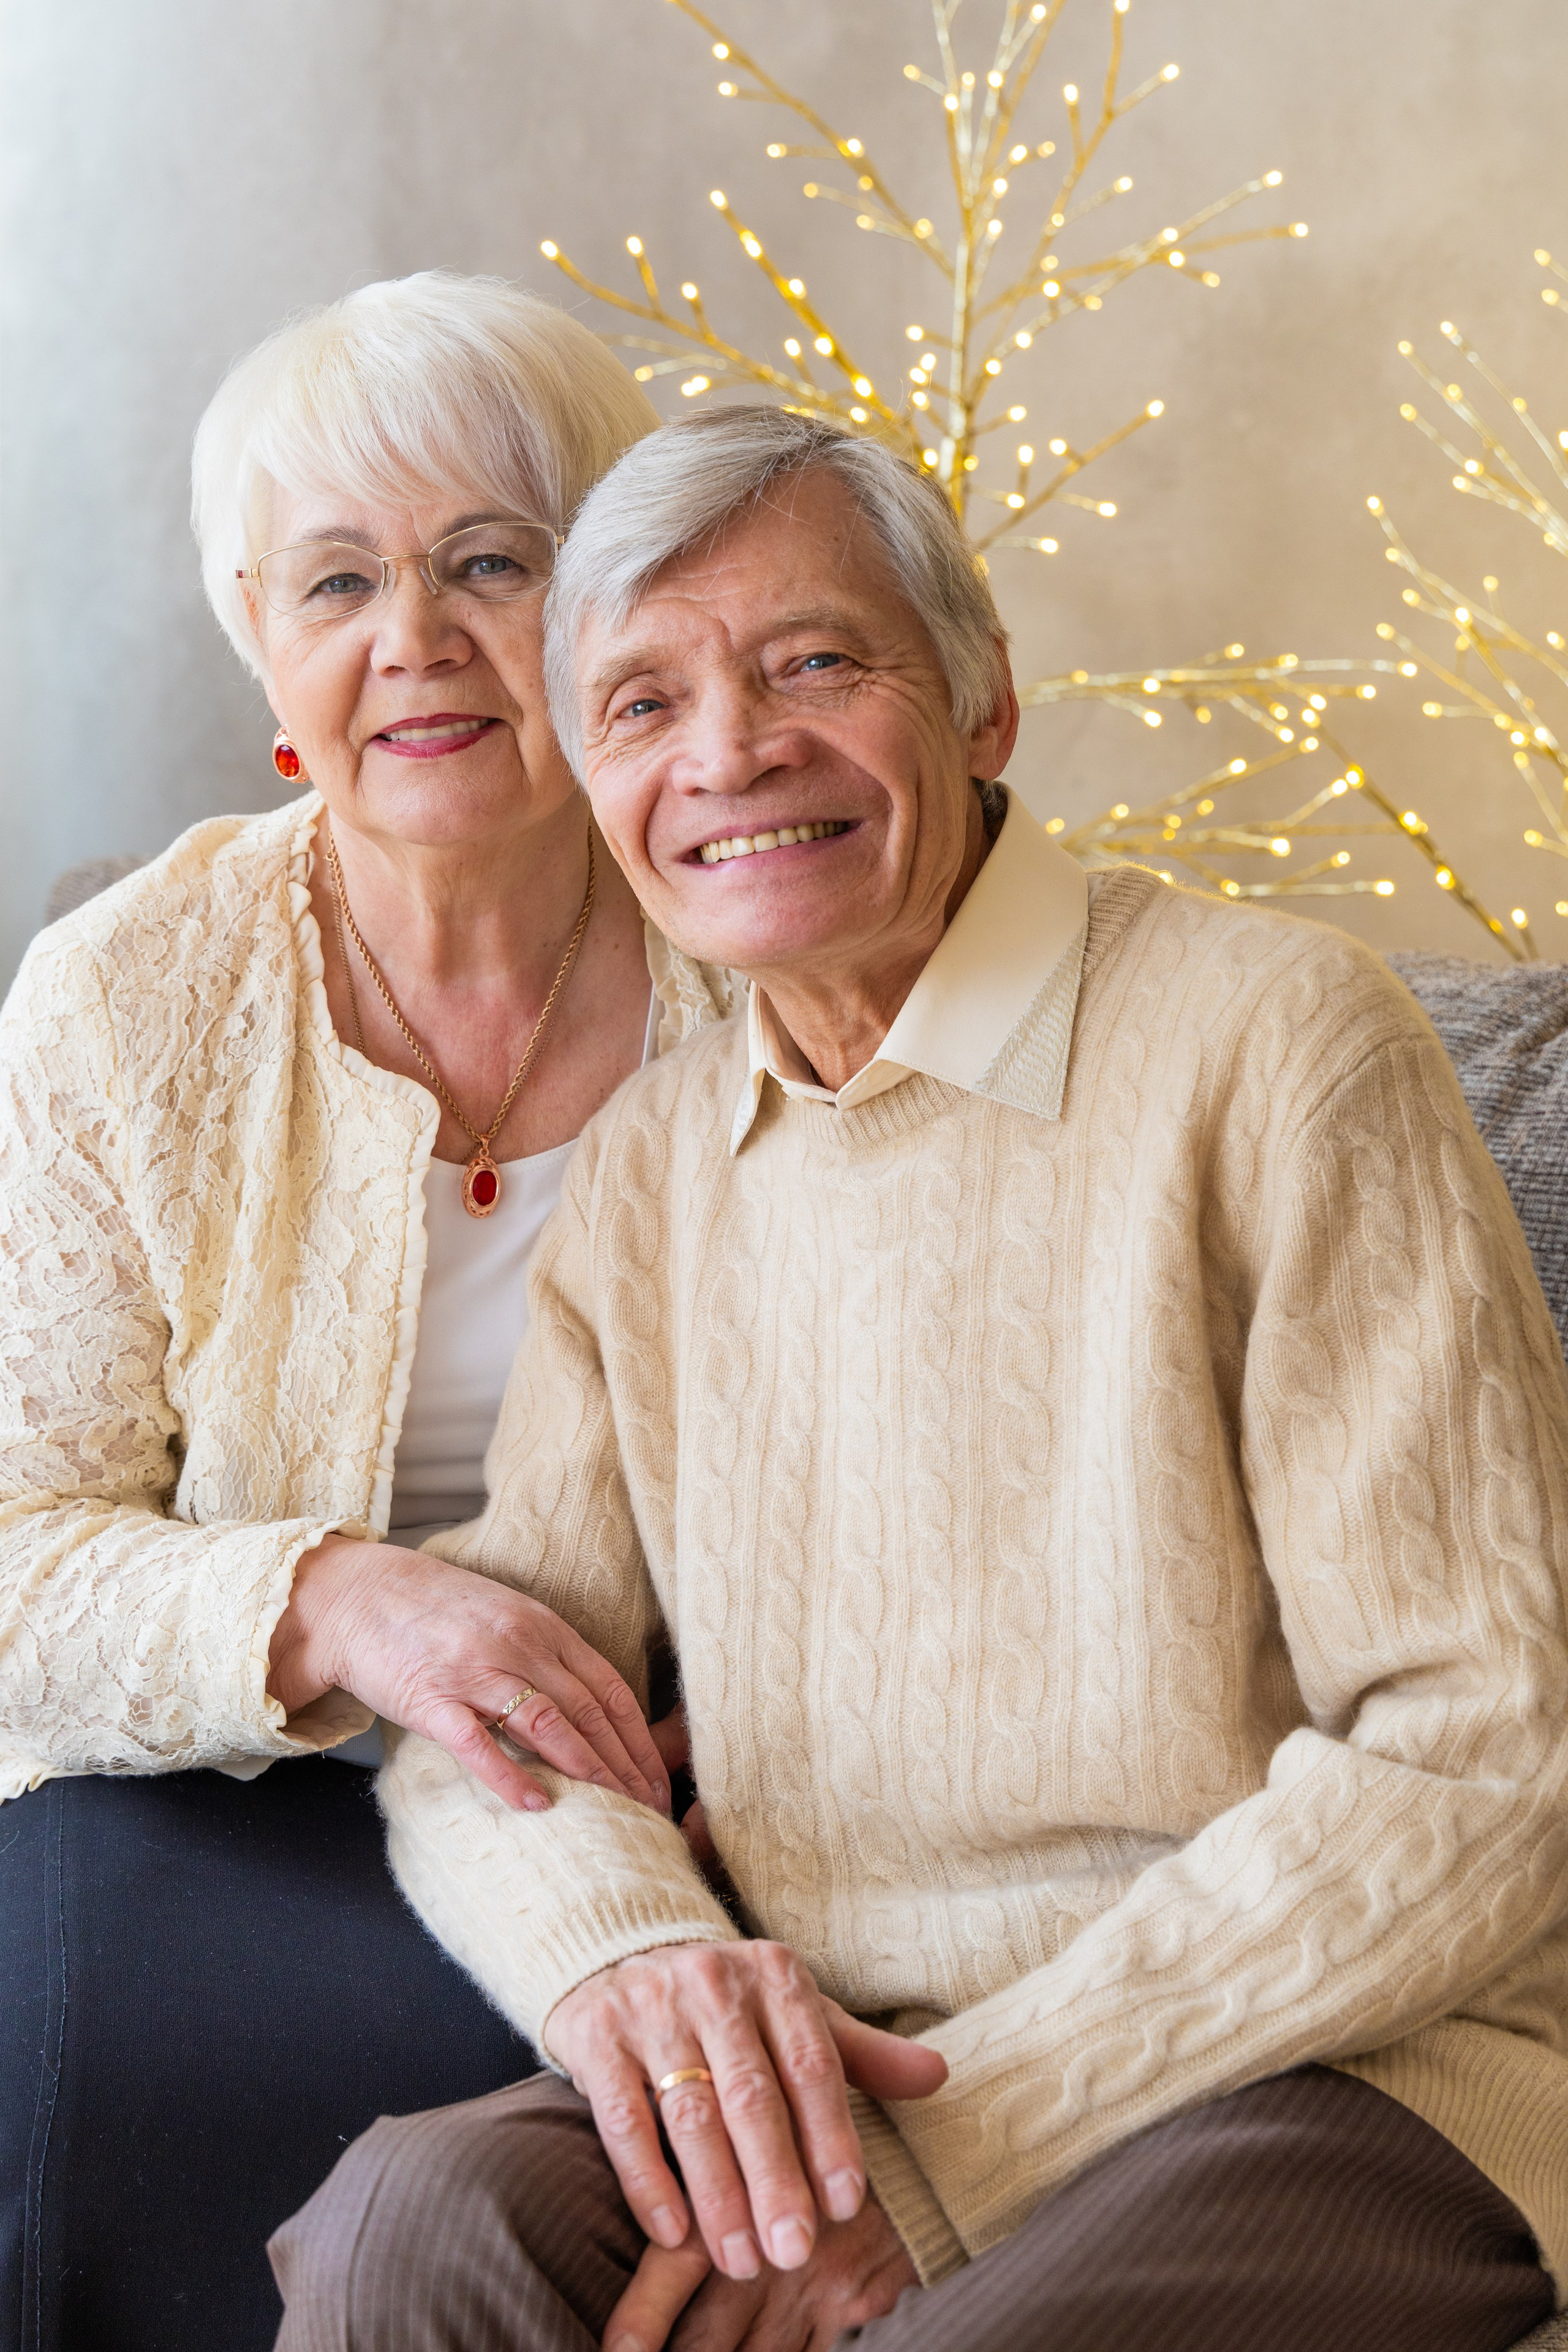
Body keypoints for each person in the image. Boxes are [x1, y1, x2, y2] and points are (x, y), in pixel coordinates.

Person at [273, 407, 1568, 2352]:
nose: (729, 756)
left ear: (983, 709)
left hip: (1339, 2060)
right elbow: (510, 1715)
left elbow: (1483, 1747)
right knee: (409, 2232)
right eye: (640, 704)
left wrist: (961, 2156)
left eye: (813, 663)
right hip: (845, 2060)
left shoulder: (1284, 1046)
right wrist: (634, 1971)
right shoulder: (648, 1169)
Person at [0, 273, 737, 2352]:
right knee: (110, 2106)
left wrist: (781, 1718)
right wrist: (350, 1607)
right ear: (271, 652)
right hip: (213, 1795)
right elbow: (15, 1541)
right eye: (337, 581)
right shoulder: (132, 995)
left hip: (671, 1788)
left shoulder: (763, 935)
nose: (410, 634)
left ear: (608, 602)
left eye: (487, 561)